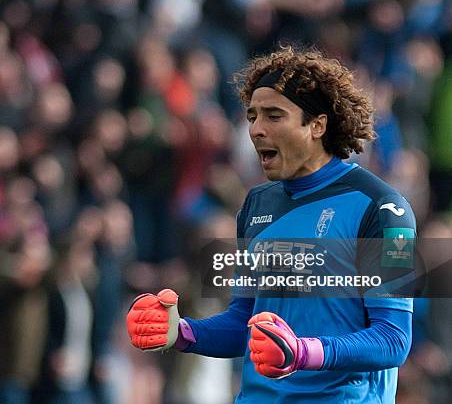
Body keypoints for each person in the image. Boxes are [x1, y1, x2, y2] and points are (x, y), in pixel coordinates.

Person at [126, 46, 416, 403]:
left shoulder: (384, 209)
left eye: (274, 116)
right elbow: (242, 323)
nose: (257, 130)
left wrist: (302, 352)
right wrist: (182, 332)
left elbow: (393, 339)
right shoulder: (256, 205)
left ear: (317, 125)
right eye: (252, 117)